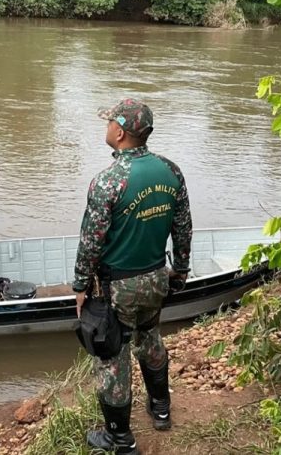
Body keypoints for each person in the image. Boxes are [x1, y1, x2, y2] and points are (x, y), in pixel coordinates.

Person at [73, 98, 192, 454]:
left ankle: (119, 439)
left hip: (119, 286)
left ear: (121, 132)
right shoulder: (171, 171)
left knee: (113, 357)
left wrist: (80, 286)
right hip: (157, 277)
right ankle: (160, 409)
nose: (106, 127)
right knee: (151, 337)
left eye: (109, 122)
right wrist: (180, 270)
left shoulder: (108, 182)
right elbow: (183, 227)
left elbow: (91, 243)